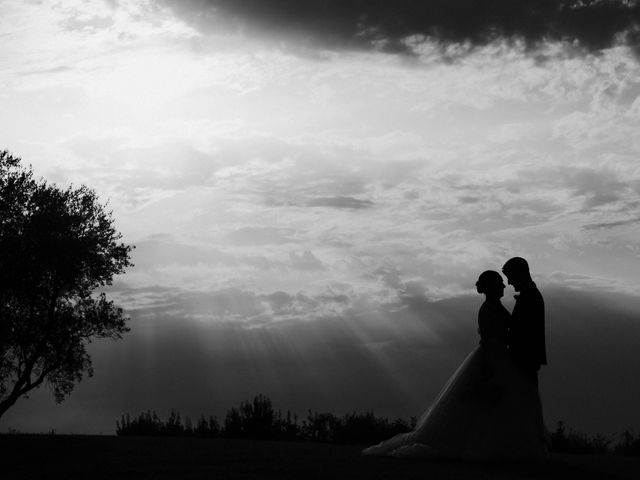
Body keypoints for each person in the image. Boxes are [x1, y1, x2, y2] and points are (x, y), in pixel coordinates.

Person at [362, 270, 547, 460]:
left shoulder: (496, 306)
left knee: (495, 406)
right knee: (484, 405)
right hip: (491, 359)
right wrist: (492, 370)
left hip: (500, 358)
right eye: (499, 282)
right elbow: (491, 338)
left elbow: (512, 327)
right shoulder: (488, 309)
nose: (503, 286)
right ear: (491, 286)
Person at [502, 257, 547, 389]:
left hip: (524, 362)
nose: (509, 282)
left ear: (520, 274)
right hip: (526, 361)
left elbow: (521, 332)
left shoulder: (530, 297)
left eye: (510, 277)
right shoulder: (530, 295)